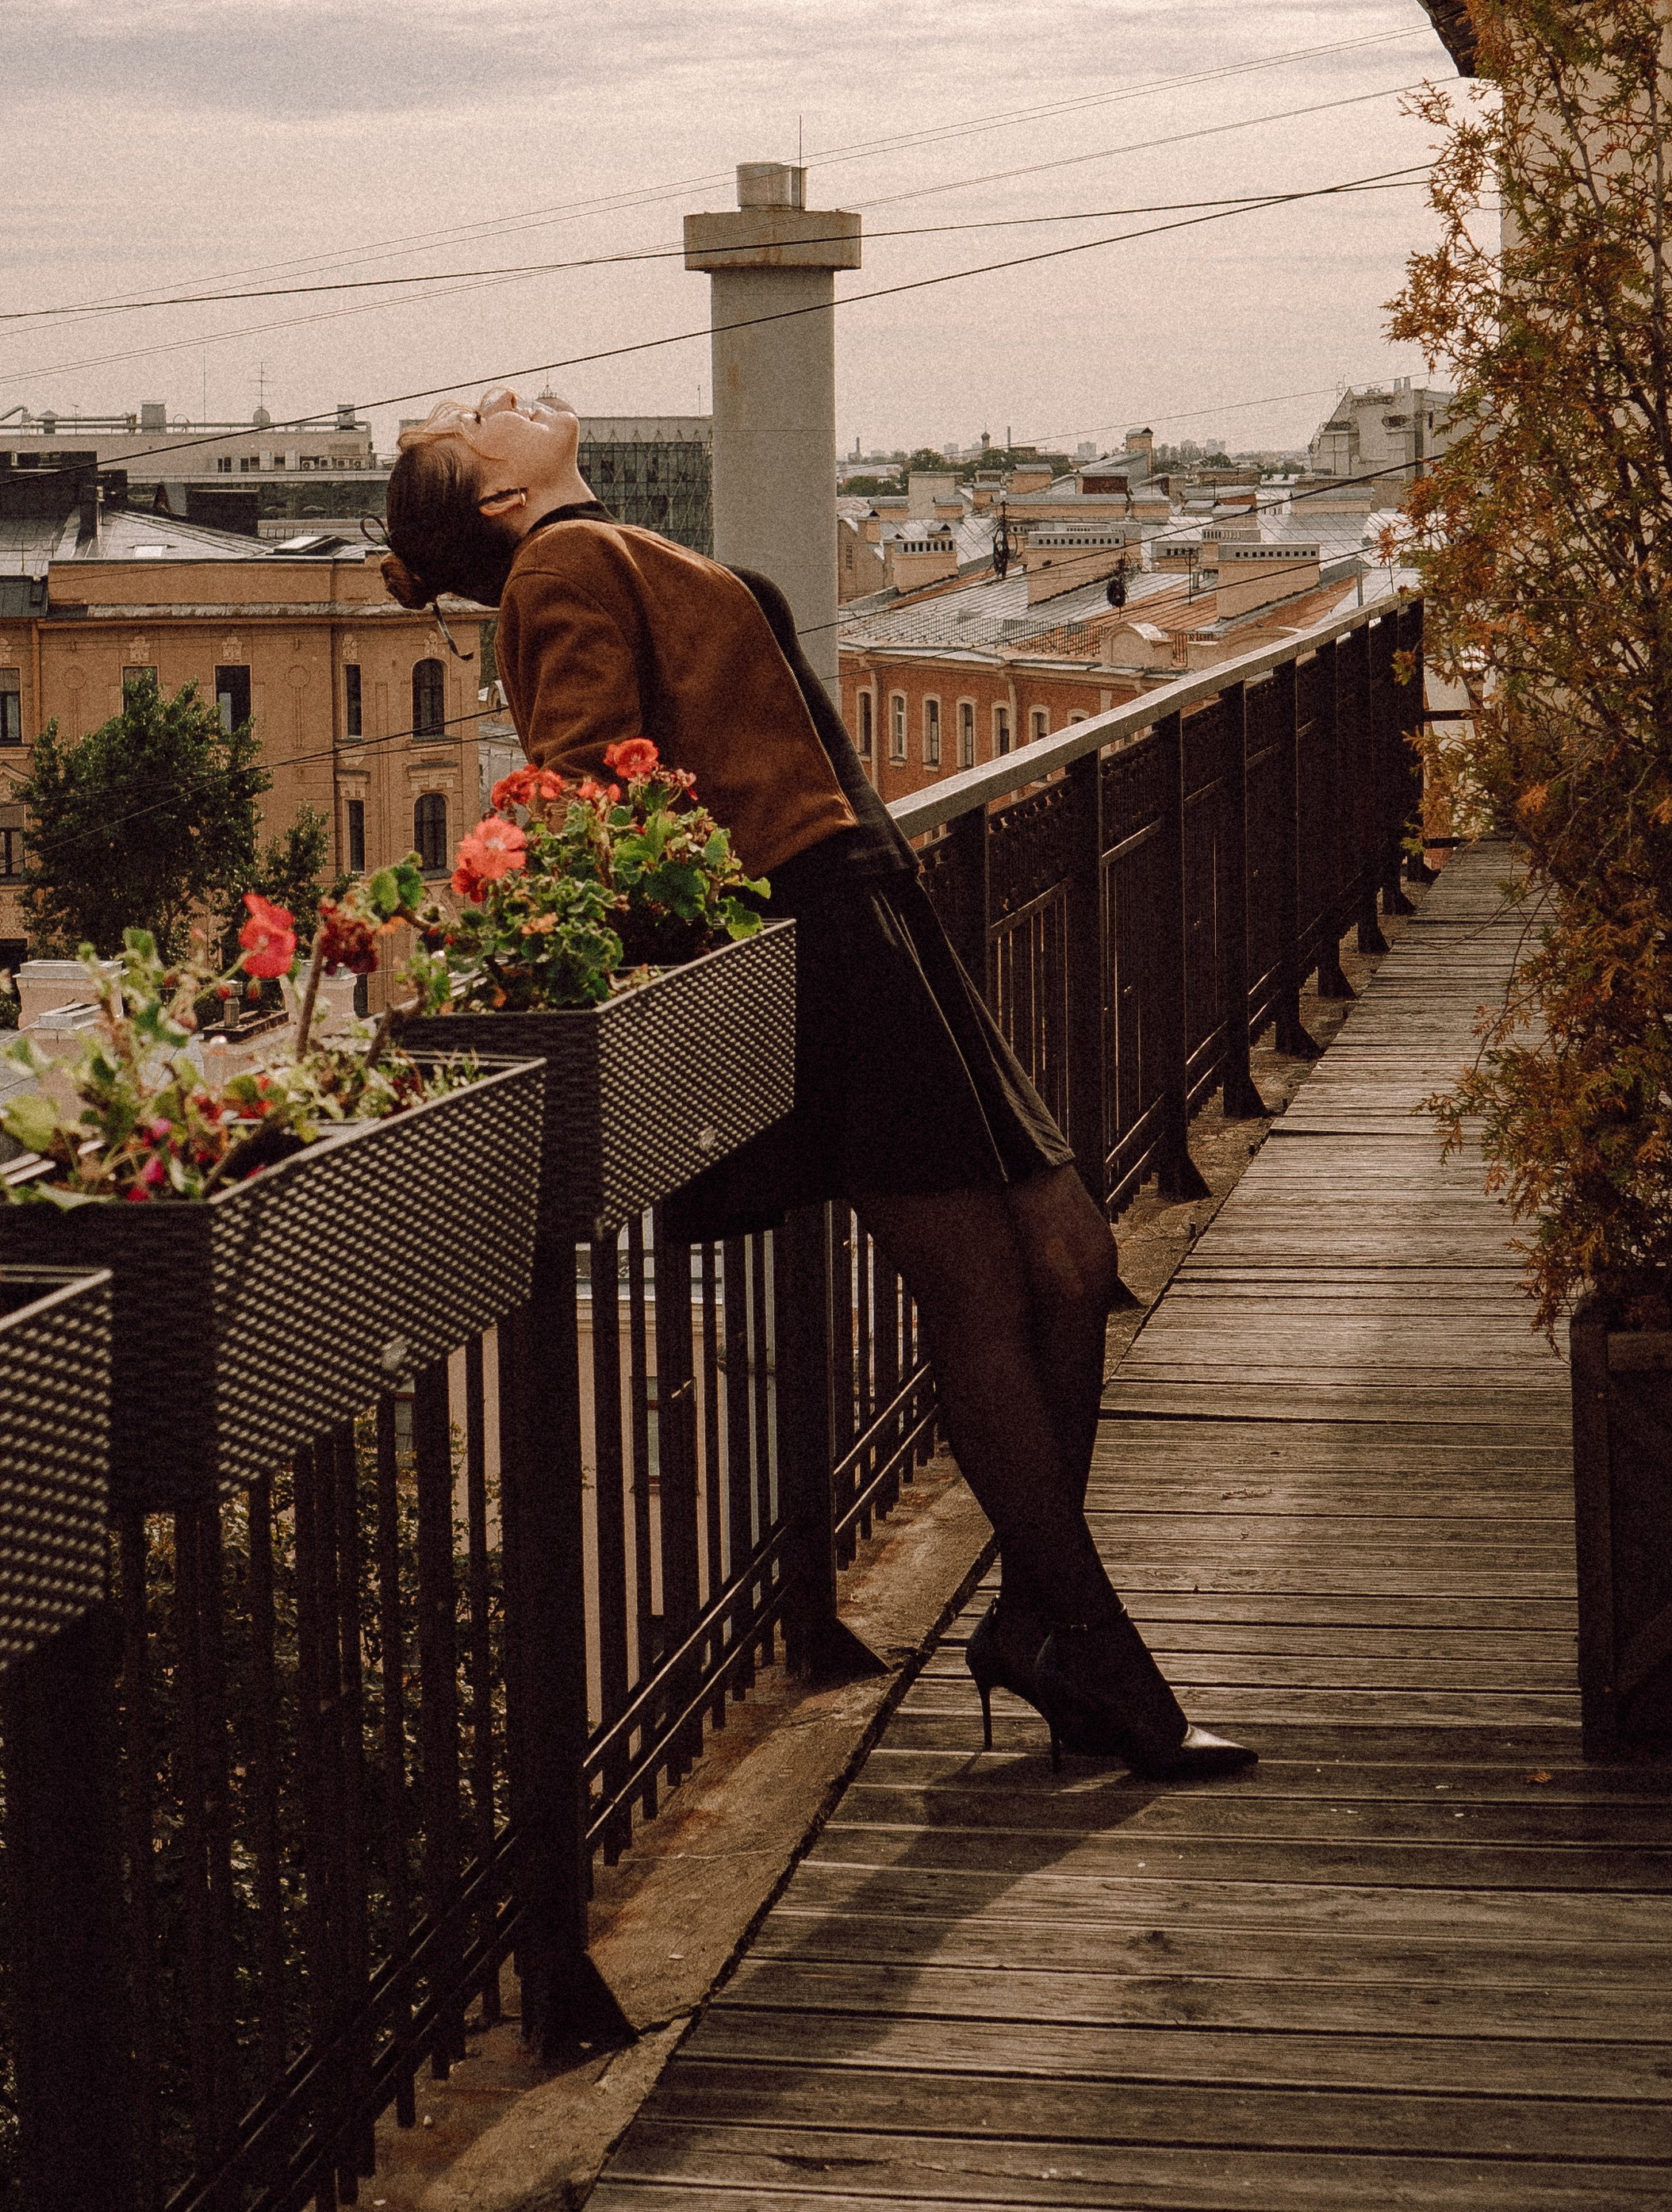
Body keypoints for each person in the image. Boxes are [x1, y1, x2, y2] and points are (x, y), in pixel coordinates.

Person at [380, 387, 1253, 1780]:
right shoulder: (560, 563)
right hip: (822, 927)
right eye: (473, 423)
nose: (496, 400)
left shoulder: (607, 545)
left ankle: (1038, 1618)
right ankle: (1094, 1651)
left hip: (873, 905)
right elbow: (581, 790)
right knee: (985, 1290)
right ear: (499, 499)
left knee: (1071, 1259)